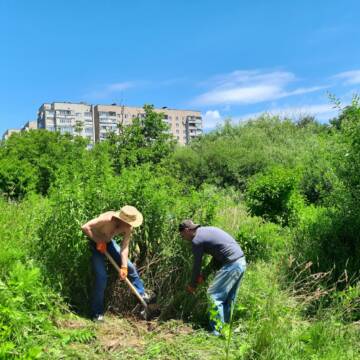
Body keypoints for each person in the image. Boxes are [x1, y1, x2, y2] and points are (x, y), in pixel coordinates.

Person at [81, 205, 149, 321]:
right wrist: (98, 242)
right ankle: (97, 313)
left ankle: (142, 295)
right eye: (128, 223)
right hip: (94, 243)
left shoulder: (128, 227)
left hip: (109, 243)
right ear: (122, 220)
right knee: (101, 277)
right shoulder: (107, 219)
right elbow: (85, 227)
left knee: (130, 267)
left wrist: (123, 267)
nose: (130, 226)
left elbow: (124, 247)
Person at [179, 219, 246, 335]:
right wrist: (204, 275)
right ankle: (225, 329)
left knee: (213, 295)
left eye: (182, 235)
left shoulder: (197, 240)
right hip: (241, 262)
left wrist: (192, 284)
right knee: (229, 298)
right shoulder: (206, 231)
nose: (183, 238)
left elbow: (196, 265)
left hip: (231, 264)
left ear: (187, 230)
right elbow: (217, 258)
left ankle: (217, 331)